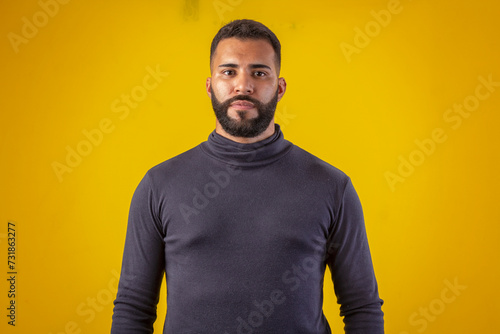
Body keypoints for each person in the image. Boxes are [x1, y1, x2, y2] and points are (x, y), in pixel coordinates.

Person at [111, 19, 384, 334]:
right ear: (210, 85)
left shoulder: (332, 187)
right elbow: (133, 309)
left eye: (259, 73)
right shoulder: (159, 185)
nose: (243, 85)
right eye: (229, 72)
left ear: (279, 88)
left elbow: (361, 307)